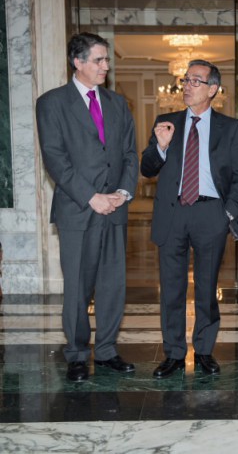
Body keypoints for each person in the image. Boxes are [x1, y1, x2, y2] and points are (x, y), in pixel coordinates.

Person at [36, 33, 139, 382]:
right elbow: (55, 158)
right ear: (77, 62)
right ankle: (78, 353)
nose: (105, 67)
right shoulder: (51, 103)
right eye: (98, 60)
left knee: (113, 285)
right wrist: (91, 197)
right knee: (78, 286)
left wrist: (122, 192)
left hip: (115, 208)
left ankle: (107, 350)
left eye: (107, 60)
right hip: (78, 210)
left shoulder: (117, 103)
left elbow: (128, 153)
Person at [141, 60, 238, 379]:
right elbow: (147, 168)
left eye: (195, 81)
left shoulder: (230, 128)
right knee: (172, 289)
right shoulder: (166, 122)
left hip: (210, 213)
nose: (187, 86)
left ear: (213, 89)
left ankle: (203, 350)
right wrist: (160, 147)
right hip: (172, 213)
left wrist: (227, 213)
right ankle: (174, 353)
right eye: (185, 79)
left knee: (206, 288)